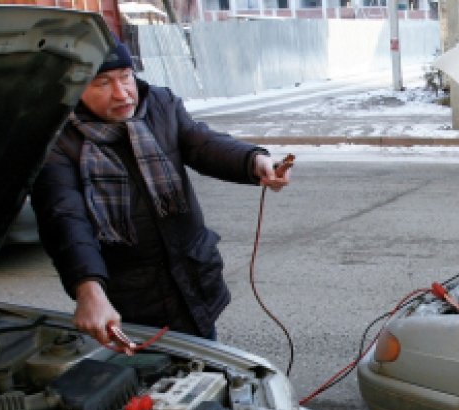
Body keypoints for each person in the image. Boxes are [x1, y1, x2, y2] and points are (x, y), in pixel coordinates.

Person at [32, 39, 290, 348]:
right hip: (128, 297)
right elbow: (64, 217)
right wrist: (89, 289)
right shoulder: (57, 138)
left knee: (205, 363)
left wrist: (254, 160)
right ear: (75, 87)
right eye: (102, 83)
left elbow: (202, 143)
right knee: (146, 384)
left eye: (125, 76)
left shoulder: (159, 104)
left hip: (191, 275)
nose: (122, 92)